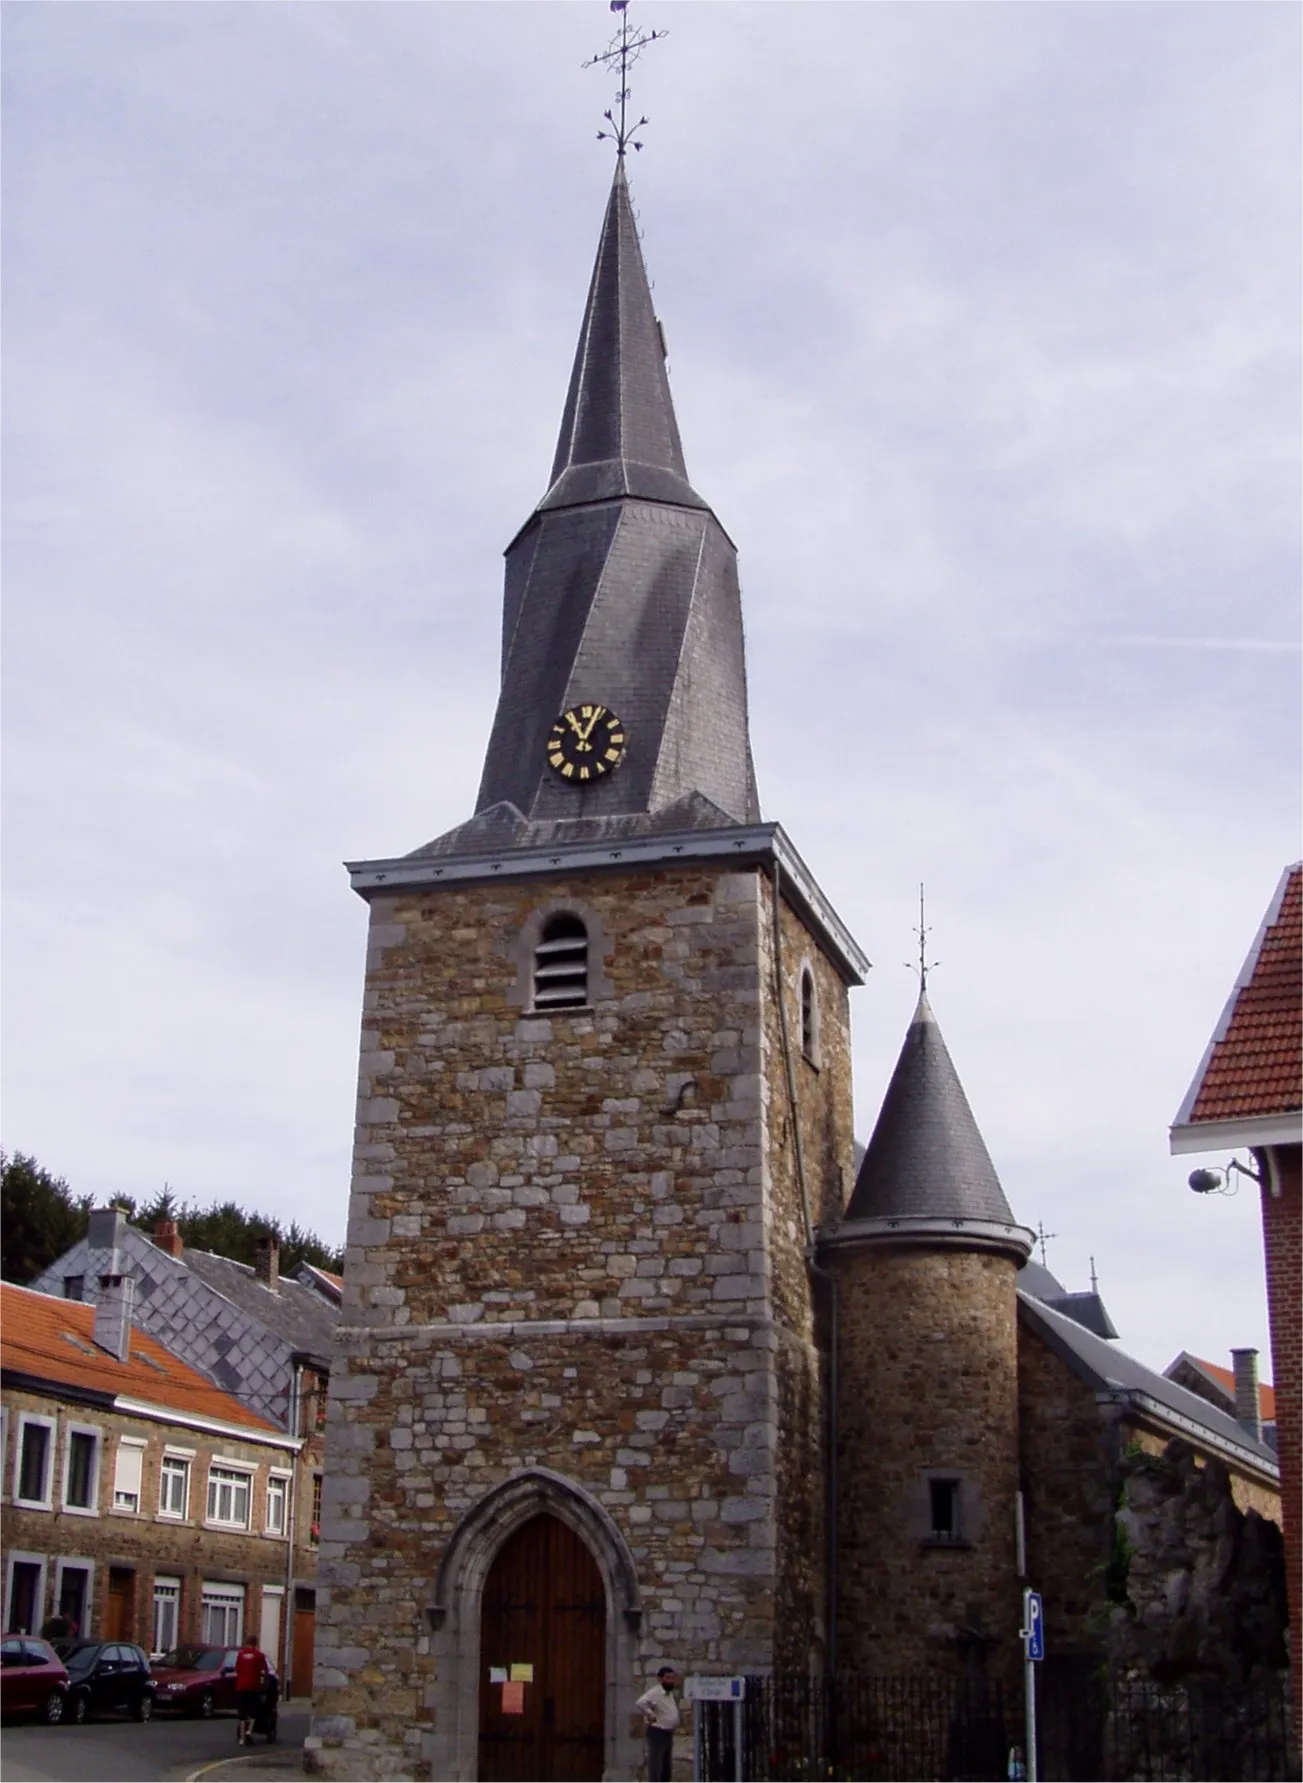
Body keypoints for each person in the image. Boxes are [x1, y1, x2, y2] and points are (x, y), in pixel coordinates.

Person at [636, 1665, 680, 1782]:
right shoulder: (655, 1692)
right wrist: (651, 1715)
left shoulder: (669, 1693)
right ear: (660, 1679)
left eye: (672, 1678)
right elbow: (641, 1702)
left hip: (667, 1731)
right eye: (667, 1678)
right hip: (657, 1731)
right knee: (656, 1763)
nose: (670, 1680)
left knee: (666, 1764)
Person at [233, 1632, 269, 1746]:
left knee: (242, 1713)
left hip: (241, 1686)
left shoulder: (240, 1654)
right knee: (254, 1710)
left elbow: (237, 1669)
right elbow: (264, 1671)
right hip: (254, 1686)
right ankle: (249, 1731)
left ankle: (242, 1739)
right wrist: (263, 1683)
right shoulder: (259, 1655)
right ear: (255, 1644)